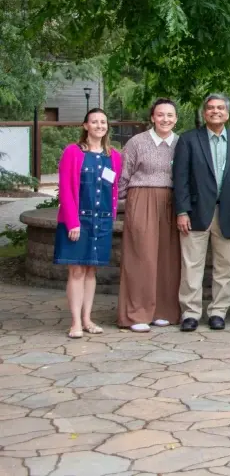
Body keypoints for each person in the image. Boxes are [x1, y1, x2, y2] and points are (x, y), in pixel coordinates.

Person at [173, 94, 230, 332]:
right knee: (191, 265)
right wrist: (182, 210)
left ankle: (218, 311)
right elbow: (180, 178)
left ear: (227, 112)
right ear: (204, 113)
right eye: (211, 108)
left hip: (228, 213)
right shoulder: (188, 140)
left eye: (220, 108)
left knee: (226, 266)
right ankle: (191, 313)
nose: (215, 111)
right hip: (196, 212)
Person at [55, 108, 123, 339]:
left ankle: (87, 318)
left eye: (103, 122)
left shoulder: (113, 156)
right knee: (76, 270)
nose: (99, 126)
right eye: (94, 122)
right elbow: (65, 189)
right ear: (85, 126)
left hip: (101, 221)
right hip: (78, 221)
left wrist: (111, 217)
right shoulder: (73, 152)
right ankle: (75, 322)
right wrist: (72, 222)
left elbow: (113, 189)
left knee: (91, 271)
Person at [116, 99, 180, 332]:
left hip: (172, 201)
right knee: (141, 256)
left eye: (170, 115)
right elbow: (123, 176)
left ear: (176, 119)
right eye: (160, 115)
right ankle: (137, 313)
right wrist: (129, 203)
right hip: (142, 198)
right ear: (152, 117)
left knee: (167, 256)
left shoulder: (180, 143)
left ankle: (163, 310)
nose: (165, 119)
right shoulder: (137, 142)